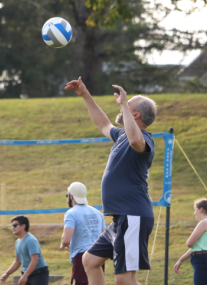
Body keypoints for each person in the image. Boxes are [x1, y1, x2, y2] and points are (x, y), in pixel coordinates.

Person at [65, 77, 157, 285]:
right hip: (121, 218)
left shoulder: (144, 140)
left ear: (134, 114)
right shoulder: (122, 135)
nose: (121, 105)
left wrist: (123, 104)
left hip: (133, 215)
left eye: (127, 104)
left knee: (124, 280)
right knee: (89, 261)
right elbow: (103, 123)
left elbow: (136, 140)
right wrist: (85, 94)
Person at [60, 182, 106, 285]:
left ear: (71, 196)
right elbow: (104, 237)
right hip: (98, 256)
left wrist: (63, 245)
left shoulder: (71, 213)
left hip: (82, 257)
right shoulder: (98, 213)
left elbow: (66, 239)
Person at [173, 198, 207, 285]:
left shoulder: (204, 223)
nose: (194, 213)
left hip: (203, 261)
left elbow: (189, 243)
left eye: (195, 209)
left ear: (201, 209)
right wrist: (181, 260)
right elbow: (196, 248)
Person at [0, 216, 49, 285]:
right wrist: (7, 274)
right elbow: (17, 261)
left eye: (15, 225)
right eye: (12, 226)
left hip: (38, 273)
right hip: (27, 273)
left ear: (23, 226)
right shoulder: (17, 241)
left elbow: (34, 260)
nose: (13, 227)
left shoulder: (30, 240)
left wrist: (25, 276)